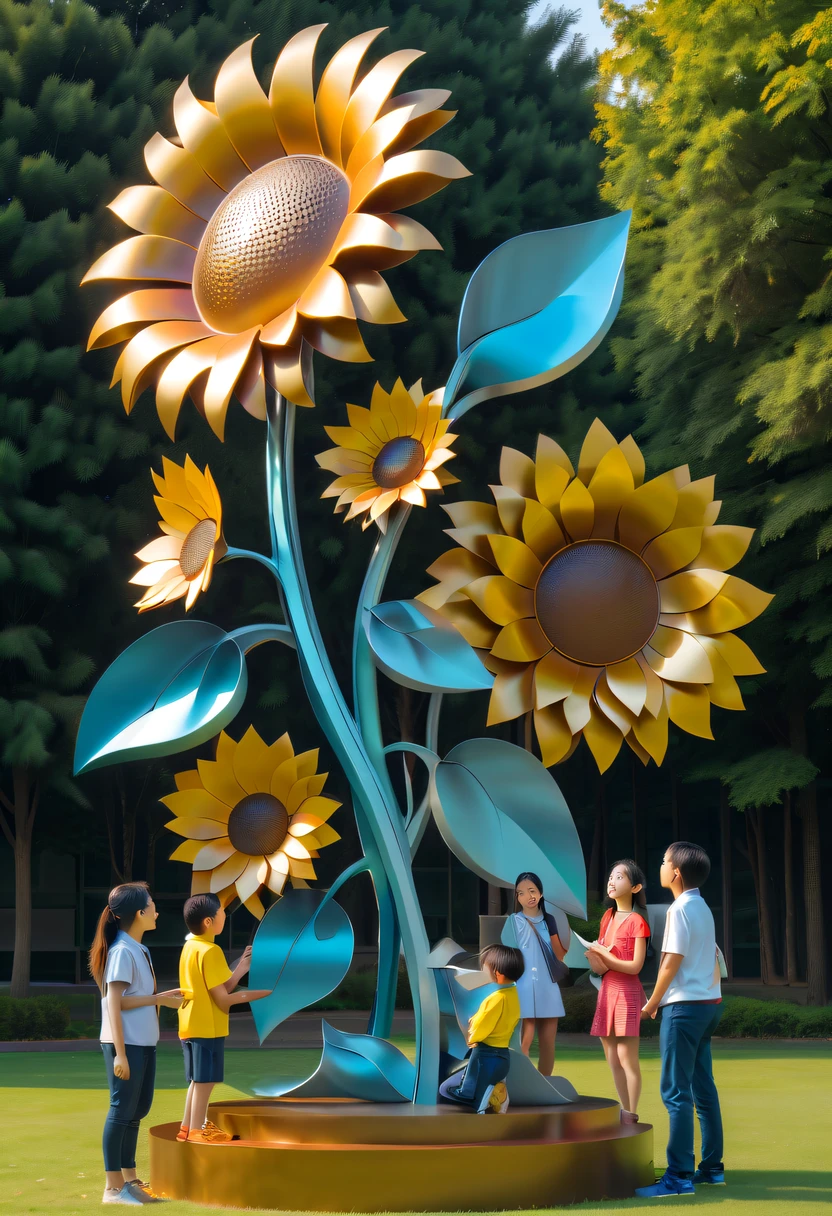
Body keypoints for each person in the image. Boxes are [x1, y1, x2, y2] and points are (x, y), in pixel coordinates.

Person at [636, 842, 724, 1199]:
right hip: (708, 1005)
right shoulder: (702, 907)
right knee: (703, 1088)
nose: (660, 865)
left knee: (675, 1092)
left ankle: (678, 1177)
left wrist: (652, 1003)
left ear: (675, 872)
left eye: (663, 861)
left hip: (684, 1009)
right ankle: (712, 1168)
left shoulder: (679, 909)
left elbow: (671, 961)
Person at [89, 881, 183, 1206]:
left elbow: (131, 999)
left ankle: (130, 1180)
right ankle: (112, 1188)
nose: (157, 910)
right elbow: (112, 1003)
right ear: (141, 913)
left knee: (137, 1110)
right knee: (121, 1111)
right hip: (124, 1044)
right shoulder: (122, 952)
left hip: (143, 1043)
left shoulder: (138, 949)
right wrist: (120, 1054)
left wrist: (161, 998)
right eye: (152, 904)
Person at [177, 893, 271, 1143]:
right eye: (220, 913)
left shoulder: (191, 947)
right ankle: (198, 1130)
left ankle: (187, 1128)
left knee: (197, 1081)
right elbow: (223, 999)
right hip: (208, 1027)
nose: (224, 916)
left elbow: (220, 988)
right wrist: (261, 994)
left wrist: (240, 968)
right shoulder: (211, 951)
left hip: (192, 1023)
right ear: (208, 921)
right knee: (206, 1081)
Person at [586, 860, 651, 1125]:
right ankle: (625, 1111)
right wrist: (595, 957)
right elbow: (602, 966)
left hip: (626, 992)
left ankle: (632, 1113)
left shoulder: (637, 921)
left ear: (635, 887)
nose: (612, 881)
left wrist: (605, 957)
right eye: (611, 876)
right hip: (607, 990)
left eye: (620, 877)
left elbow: (635, 966)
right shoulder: (607, 917)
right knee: (612, 1057)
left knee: (626, 1057)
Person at [438, 944, 524, 1113]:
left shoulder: (495, 999)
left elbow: (483, 1024)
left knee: (475, 1085)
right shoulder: (514, 995)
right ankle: (499, 1096)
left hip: (486, 1054)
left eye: (485, 968)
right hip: (503, 1053)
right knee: (489, 1081)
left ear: (497, 974)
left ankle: (475, 1101)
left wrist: (473, 1038)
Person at [511, 871, 567, 1075]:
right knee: (524, 1041)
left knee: (548, 1043)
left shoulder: (549, 920)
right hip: (523, 987)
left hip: (548, 986)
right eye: (522, 893)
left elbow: (559, 954)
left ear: (541, 893)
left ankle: (546, 1086)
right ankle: (525, 1082)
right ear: (517, 897)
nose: (528, 896)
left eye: (532, 891)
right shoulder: (513, 922)